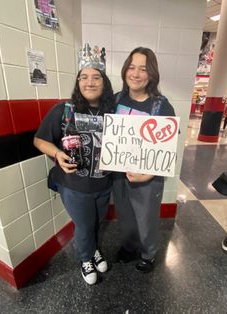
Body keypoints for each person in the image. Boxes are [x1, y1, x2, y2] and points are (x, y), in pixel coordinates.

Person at [34, 60, 114, 285]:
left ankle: (94, 249)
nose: (90, 82)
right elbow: (39, 140)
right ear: (78, 82)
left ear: (104, 82)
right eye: (84, 77)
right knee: (85, 225)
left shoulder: (113, 112)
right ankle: (85, 259)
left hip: (104, 183)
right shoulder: (65, 110)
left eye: (96, 77)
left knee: (97, 222)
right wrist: (57, 154)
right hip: (74, 185)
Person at [113, 47, 176, 273]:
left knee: (146, 218)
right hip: (119, 174)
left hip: (148, 177)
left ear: (151, 74)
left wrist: (149, 173)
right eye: (132, 67)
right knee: (126, 215)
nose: (136, 74)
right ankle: (129, 246)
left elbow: (168, 146)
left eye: (143, 69)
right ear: (125, 71)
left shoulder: (160, 106)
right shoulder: (116, 100)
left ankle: (148, 254)